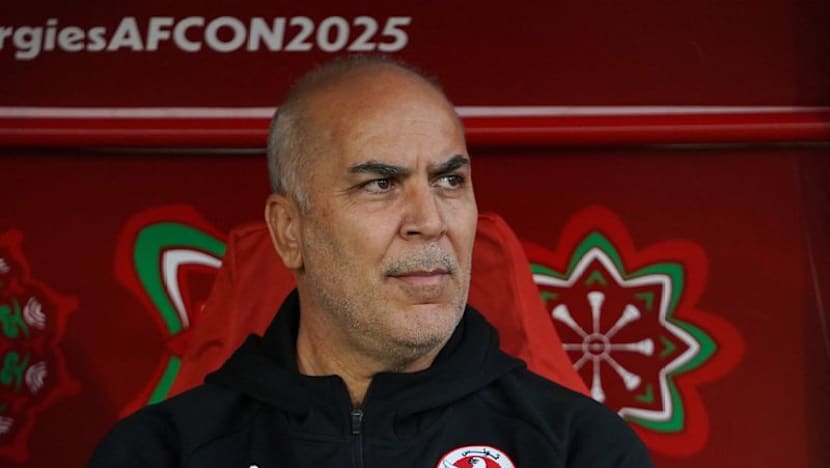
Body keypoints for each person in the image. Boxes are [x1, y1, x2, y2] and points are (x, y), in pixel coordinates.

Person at [88, 55, 653, 467]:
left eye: (449, 180)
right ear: (290, 231)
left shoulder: (581, 449)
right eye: (381, 184)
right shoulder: (159, 453)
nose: (430, 220)